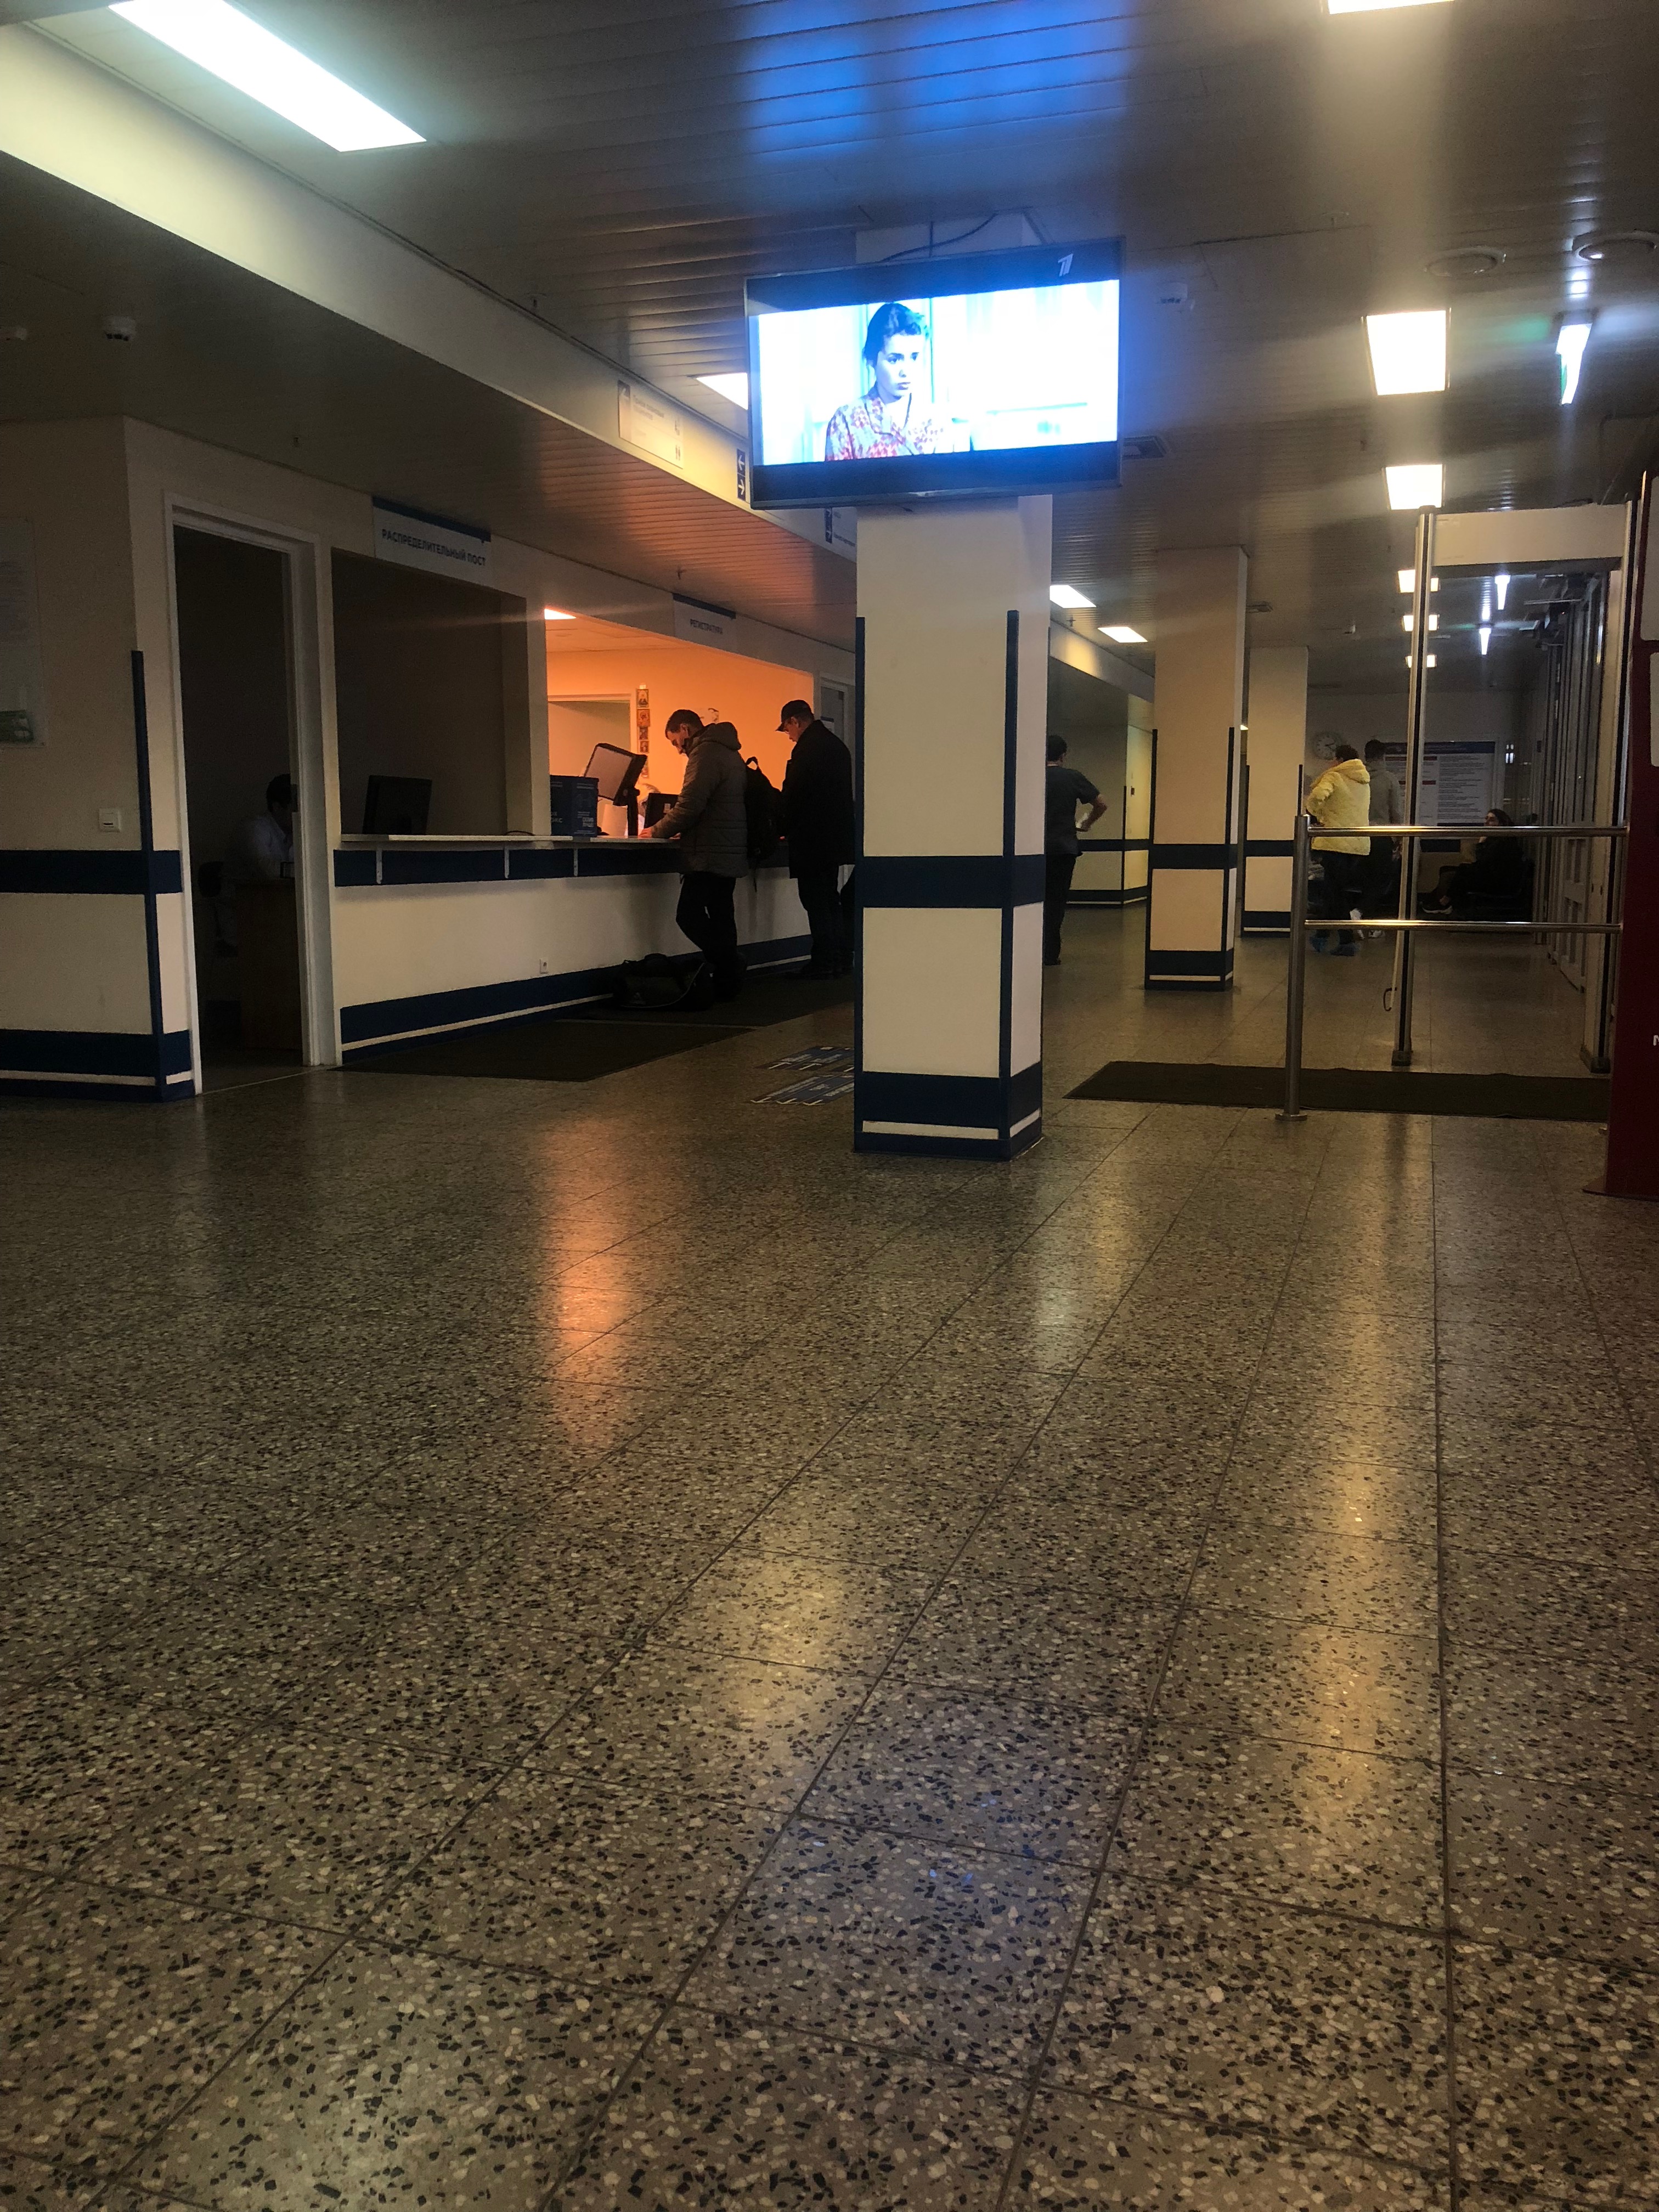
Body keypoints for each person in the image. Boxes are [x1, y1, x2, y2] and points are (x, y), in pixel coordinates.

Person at [650, 713, 748, 998]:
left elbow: (690, 806)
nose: (678, 749)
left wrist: (656, 830)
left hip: (708, 852)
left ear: (685, 728)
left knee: (688, 915)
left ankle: (731, 964)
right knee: (722, 916)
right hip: (728, 847)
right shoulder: (730, 751)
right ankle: (729, 982)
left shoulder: (705, 753)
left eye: (675, 741)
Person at [778, 698, 855, 978]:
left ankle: (823, 961)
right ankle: (840, 958)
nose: (789, 736)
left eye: (787, 729)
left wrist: (780, 824)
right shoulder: (837, 746)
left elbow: (794, 794)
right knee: (830, 899)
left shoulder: (807, 750)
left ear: (795, 722)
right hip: (833, 840)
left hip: (811, 840)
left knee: (815, 901)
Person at [823, 303, 956, 461]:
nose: (906, 371)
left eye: (914, 357)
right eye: (894, 360)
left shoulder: (938, 421)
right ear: (872, 360)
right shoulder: (846, 421)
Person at [1043, 736, 1107, 967]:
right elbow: (1101, 803)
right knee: (1056, 901)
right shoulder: (1072, 777)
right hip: (1063, 849)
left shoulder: (1030, 777)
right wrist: (1086, 823)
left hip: (1032, 851)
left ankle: (1028, 949)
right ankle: (1049, 953)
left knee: (1032, 900)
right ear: (1063, 756)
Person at [1304, 744, 1370, 955]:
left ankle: (1346, 942)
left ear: (1339, 760)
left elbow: (1317, 797)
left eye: (1333, 759)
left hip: (1335, 842)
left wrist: (1315, 816)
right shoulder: (1363, 782)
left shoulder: (1334, 776)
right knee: (1333, 890)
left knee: (1335, 893)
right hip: (1358, 844)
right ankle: (1322, 935)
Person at [1425, 809, 1527, 913]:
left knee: (1460, 872)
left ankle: (1444, 902)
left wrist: (1481, 844)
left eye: (1492, 820)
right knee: (1446, 869)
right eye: (1486, 819)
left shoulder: (1504, 842)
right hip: (1491, 875)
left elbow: (1483, 862)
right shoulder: (1494, 839)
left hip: (1498, 882)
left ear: (1501, 824)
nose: (1487, 822)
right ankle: (1437, 899)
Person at [1361, 740, 1404, 935]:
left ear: (1366, 756)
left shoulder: (1358, 778)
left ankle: (1360, 917)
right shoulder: (1389, 779)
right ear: (1384, 756)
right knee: (1379, 881)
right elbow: (1396, 812)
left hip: (1358, 835)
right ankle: (1366, 918)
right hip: (1381, 836)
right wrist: (1399, 837)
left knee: (1363, 880)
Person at [225, 773, 296, 888]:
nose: (301, 815)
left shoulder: (293, 834)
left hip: (272, 896)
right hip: (240, 897)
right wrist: (306, 870)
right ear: (277, 808)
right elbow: (265, 870)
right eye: (295, 809)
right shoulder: (254, 828)